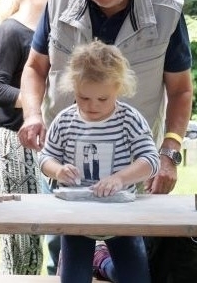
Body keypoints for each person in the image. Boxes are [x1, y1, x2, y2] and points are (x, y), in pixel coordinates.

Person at [17, 0, 193, 281]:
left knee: (132, 260)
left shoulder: (166, 12)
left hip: (128, 172)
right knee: (65, 259)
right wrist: (33, 115)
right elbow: (35, 67)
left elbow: (180, 91)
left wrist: (168, 153)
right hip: (67, 164)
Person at [39, 40, 159, 283]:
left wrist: (120, 178)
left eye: (102, 99)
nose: (92, 105)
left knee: (136, 278)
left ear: (118, 88)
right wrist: (59, 170)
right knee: (74, 279)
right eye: (84, 97)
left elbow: (150, 160)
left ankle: (102, 263)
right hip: (76, 217)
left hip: (121, 218)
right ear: (73, 87)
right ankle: (99, 262)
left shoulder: (129, 119)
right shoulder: (65, 121)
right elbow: (45, 158)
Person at [0, 0, 58, 275]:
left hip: (42, 144)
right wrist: (36, 103)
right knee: (20, 241)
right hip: (12, 145)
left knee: (42, 235)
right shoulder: (9, 32)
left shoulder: (50, 31)